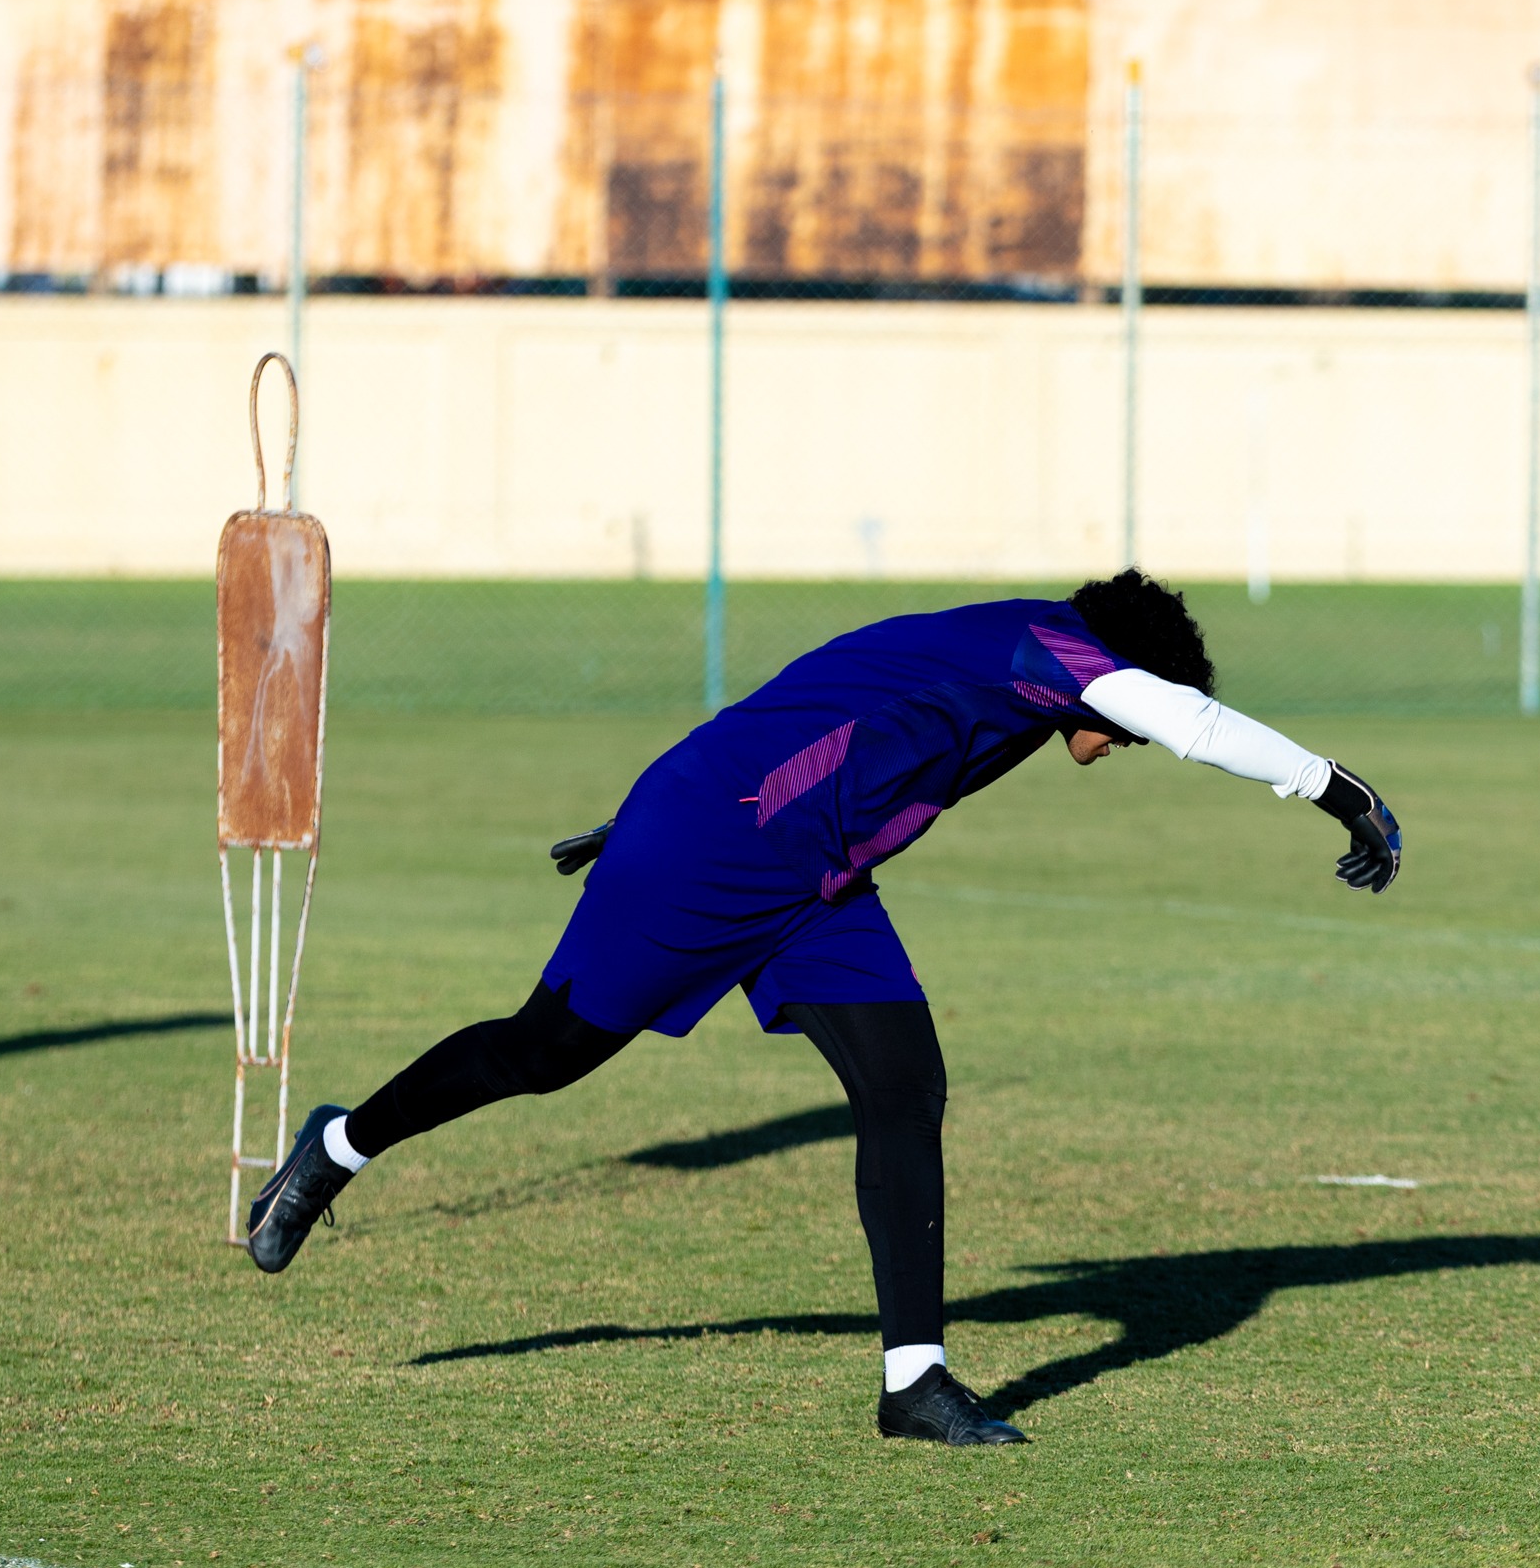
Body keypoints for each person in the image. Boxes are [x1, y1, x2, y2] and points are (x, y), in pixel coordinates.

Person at [242, 570, 1403, 1446]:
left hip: (815, 880)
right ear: (1119, 665)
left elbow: (821, 707)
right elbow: (1190, 725)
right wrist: (1343, 793)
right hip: (717, 849)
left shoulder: (1014, 658)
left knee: (905, 1088)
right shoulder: (1048, 647)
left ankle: (913, 1380)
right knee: (544, 1051)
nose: (1134, 736)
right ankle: (338, 1147)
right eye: (1139, 707)